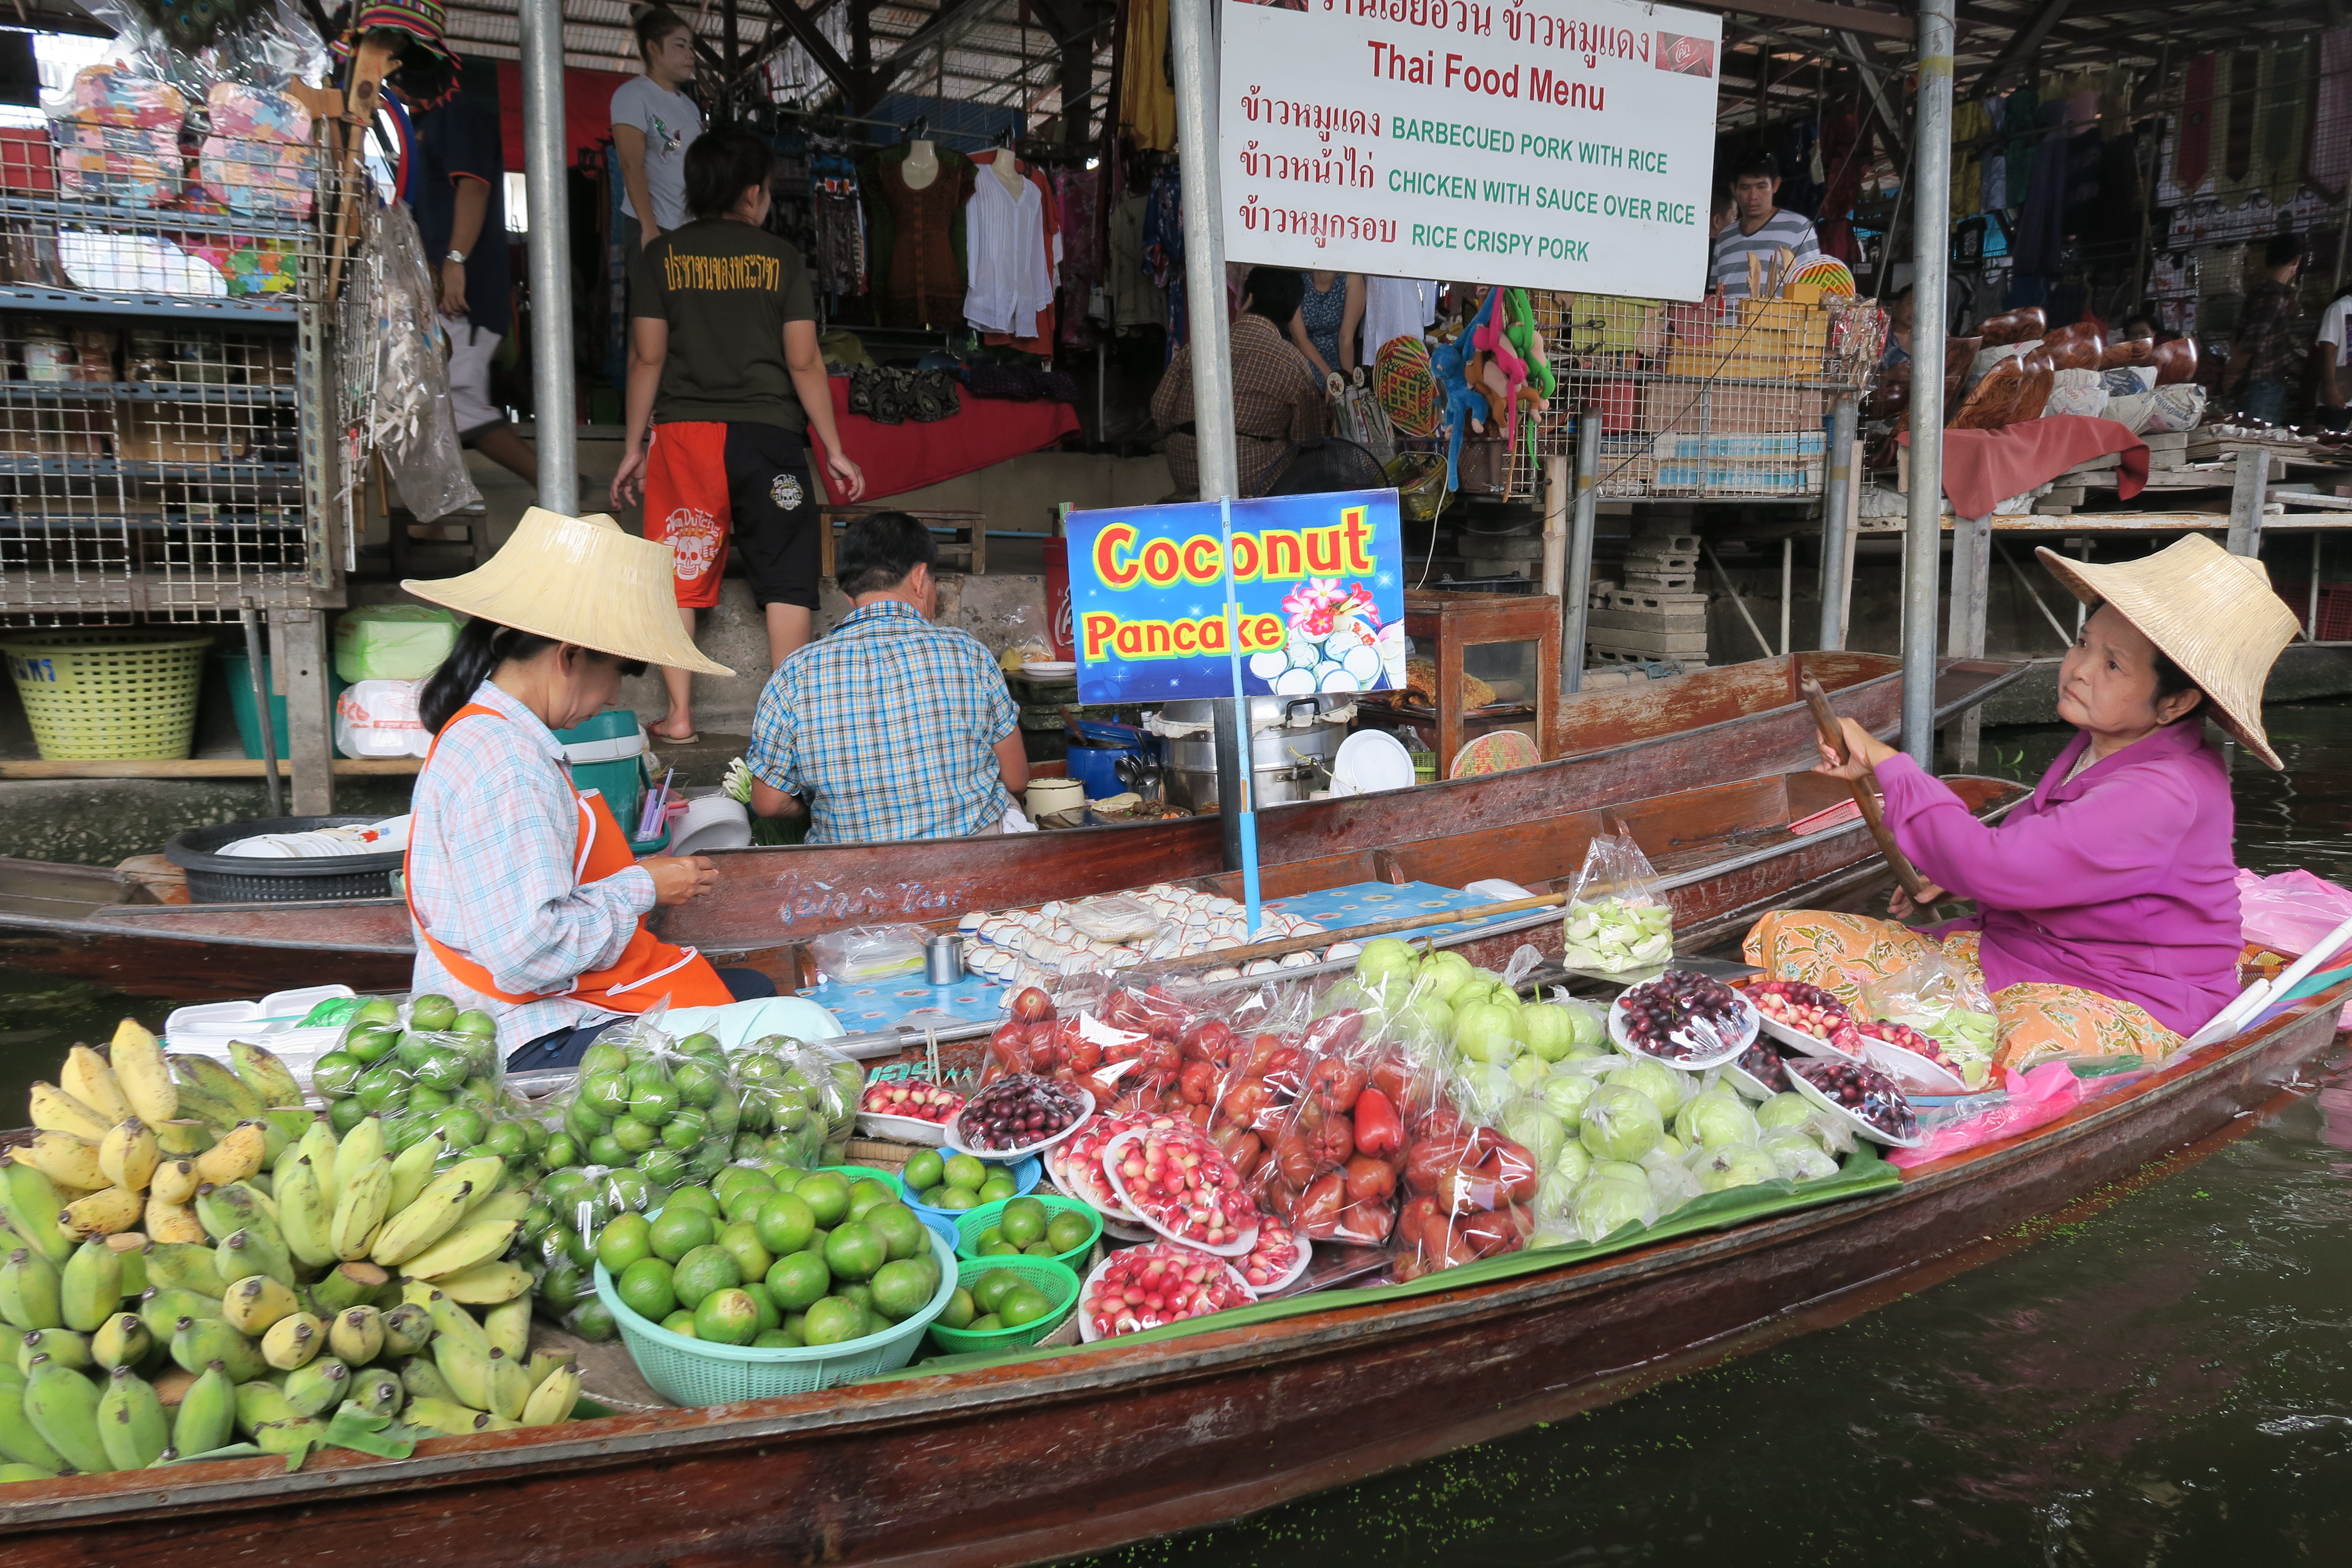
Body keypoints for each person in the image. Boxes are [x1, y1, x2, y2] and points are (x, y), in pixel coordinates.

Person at [1746, 534, 2299, 1073]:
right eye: (2084, 643)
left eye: (2113, 666)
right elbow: (2033, 855)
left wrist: (1890, 766)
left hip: (2131, 998)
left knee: (2028, 1050)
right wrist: (1965, 878)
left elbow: (2000, 865)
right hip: (2019, 956)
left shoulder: (2165, 789)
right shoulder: (2106, 742)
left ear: (2176, 702)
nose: (2080, 669)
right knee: (1791, 936)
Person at [401, 505, 781, 1070]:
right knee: (770, 1018)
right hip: (525, 1037)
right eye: (622, 674)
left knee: (749, 987)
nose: (616, 698)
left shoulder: (487, 734)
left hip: (517, 1013)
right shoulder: (510, 763)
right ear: (570, 657)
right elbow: (530, 954)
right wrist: (641, 887)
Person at [612, 128, 866, 745]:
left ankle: (679, 717)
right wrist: (832, 446)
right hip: (769, 437)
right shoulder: (780, 259)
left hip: (685, 439)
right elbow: (805, 362)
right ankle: (788, 724)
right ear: (754, 193)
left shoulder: (662, 258)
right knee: (787, 574)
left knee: (680, 574)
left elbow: (647, 359)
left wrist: (632, 445)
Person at [744, 511, 1028, 842]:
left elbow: (768, 803)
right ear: (921, 578)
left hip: (853, 876)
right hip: (969, 861)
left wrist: (813, 809)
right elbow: (1016, 780)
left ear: (851, 596)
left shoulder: (794, 673)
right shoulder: (967, 653)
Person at [388, 46, 535, 488]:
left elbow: (473, 188)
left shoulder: (460, 114)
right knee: (433, 400)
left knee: (458, 399)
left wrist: (455, 262)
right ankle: (428, 525)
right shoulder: (425, 123)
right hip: (444, 288)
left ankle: (561, 486)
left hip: (466, 291)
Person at [1151, 265, 1327, 498]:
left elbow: (1160, 409)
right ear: (1293, 310)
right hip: (1248, 478)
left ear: (1249, 299)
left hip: (1186, 468)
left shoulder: (1200, 346)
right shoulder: (1293, 362)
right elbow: (1309, 438)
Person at [611, 8, 701, 254]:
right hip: (655, 226)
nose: (690, 54)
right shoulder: (633, 94)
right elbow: (631, 165)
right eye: (680, 46)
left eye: (691, 47)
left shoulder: (689, 105)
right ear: (653, 49)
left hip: (690, 228)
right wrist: (649, 229)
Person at [1710, 151, 1821, 300]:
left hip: (1776, 323)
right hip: (1725, 323)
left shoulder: (1798, 229)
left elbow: (1813, 293)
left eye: (1761, 187)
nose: (1753, 196)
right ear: (1734, 189)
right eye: (1745, 188)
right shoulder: (1725, 237)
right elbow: (1715, 294)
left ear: (1775, 185)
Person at [2227, 232, 2303, 426]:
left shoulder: (2264, 292)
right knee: (2257, 445)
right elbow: (2251, 342)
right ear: (2296, 261)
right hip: (2262, 386)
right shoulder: (2271, 296)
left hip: (2260, 385)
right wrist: (2230, 375)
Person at [1289, 269, 1365, 382]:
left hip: (1337, 361)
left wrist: (1347, 383)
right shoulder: (1296, 280)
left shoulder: (1352, 279)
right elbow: (1300, 340)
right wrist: (1329, 376)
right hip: (1304, 360)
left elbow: (1346, 338)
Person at [2312, 284, 2352, 430]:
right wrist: (2331, 388)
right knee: (2331, 445)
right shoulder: (2339, 308)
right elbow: (2328, 351)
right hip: (2342, 395)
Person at [1878, 285, 1914, 369]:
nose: (1916, 311)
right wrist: (1889, 376)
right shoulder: (1878, 336)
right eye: (1911, 304)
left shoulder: (1936, 338)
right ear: (1895, 306)